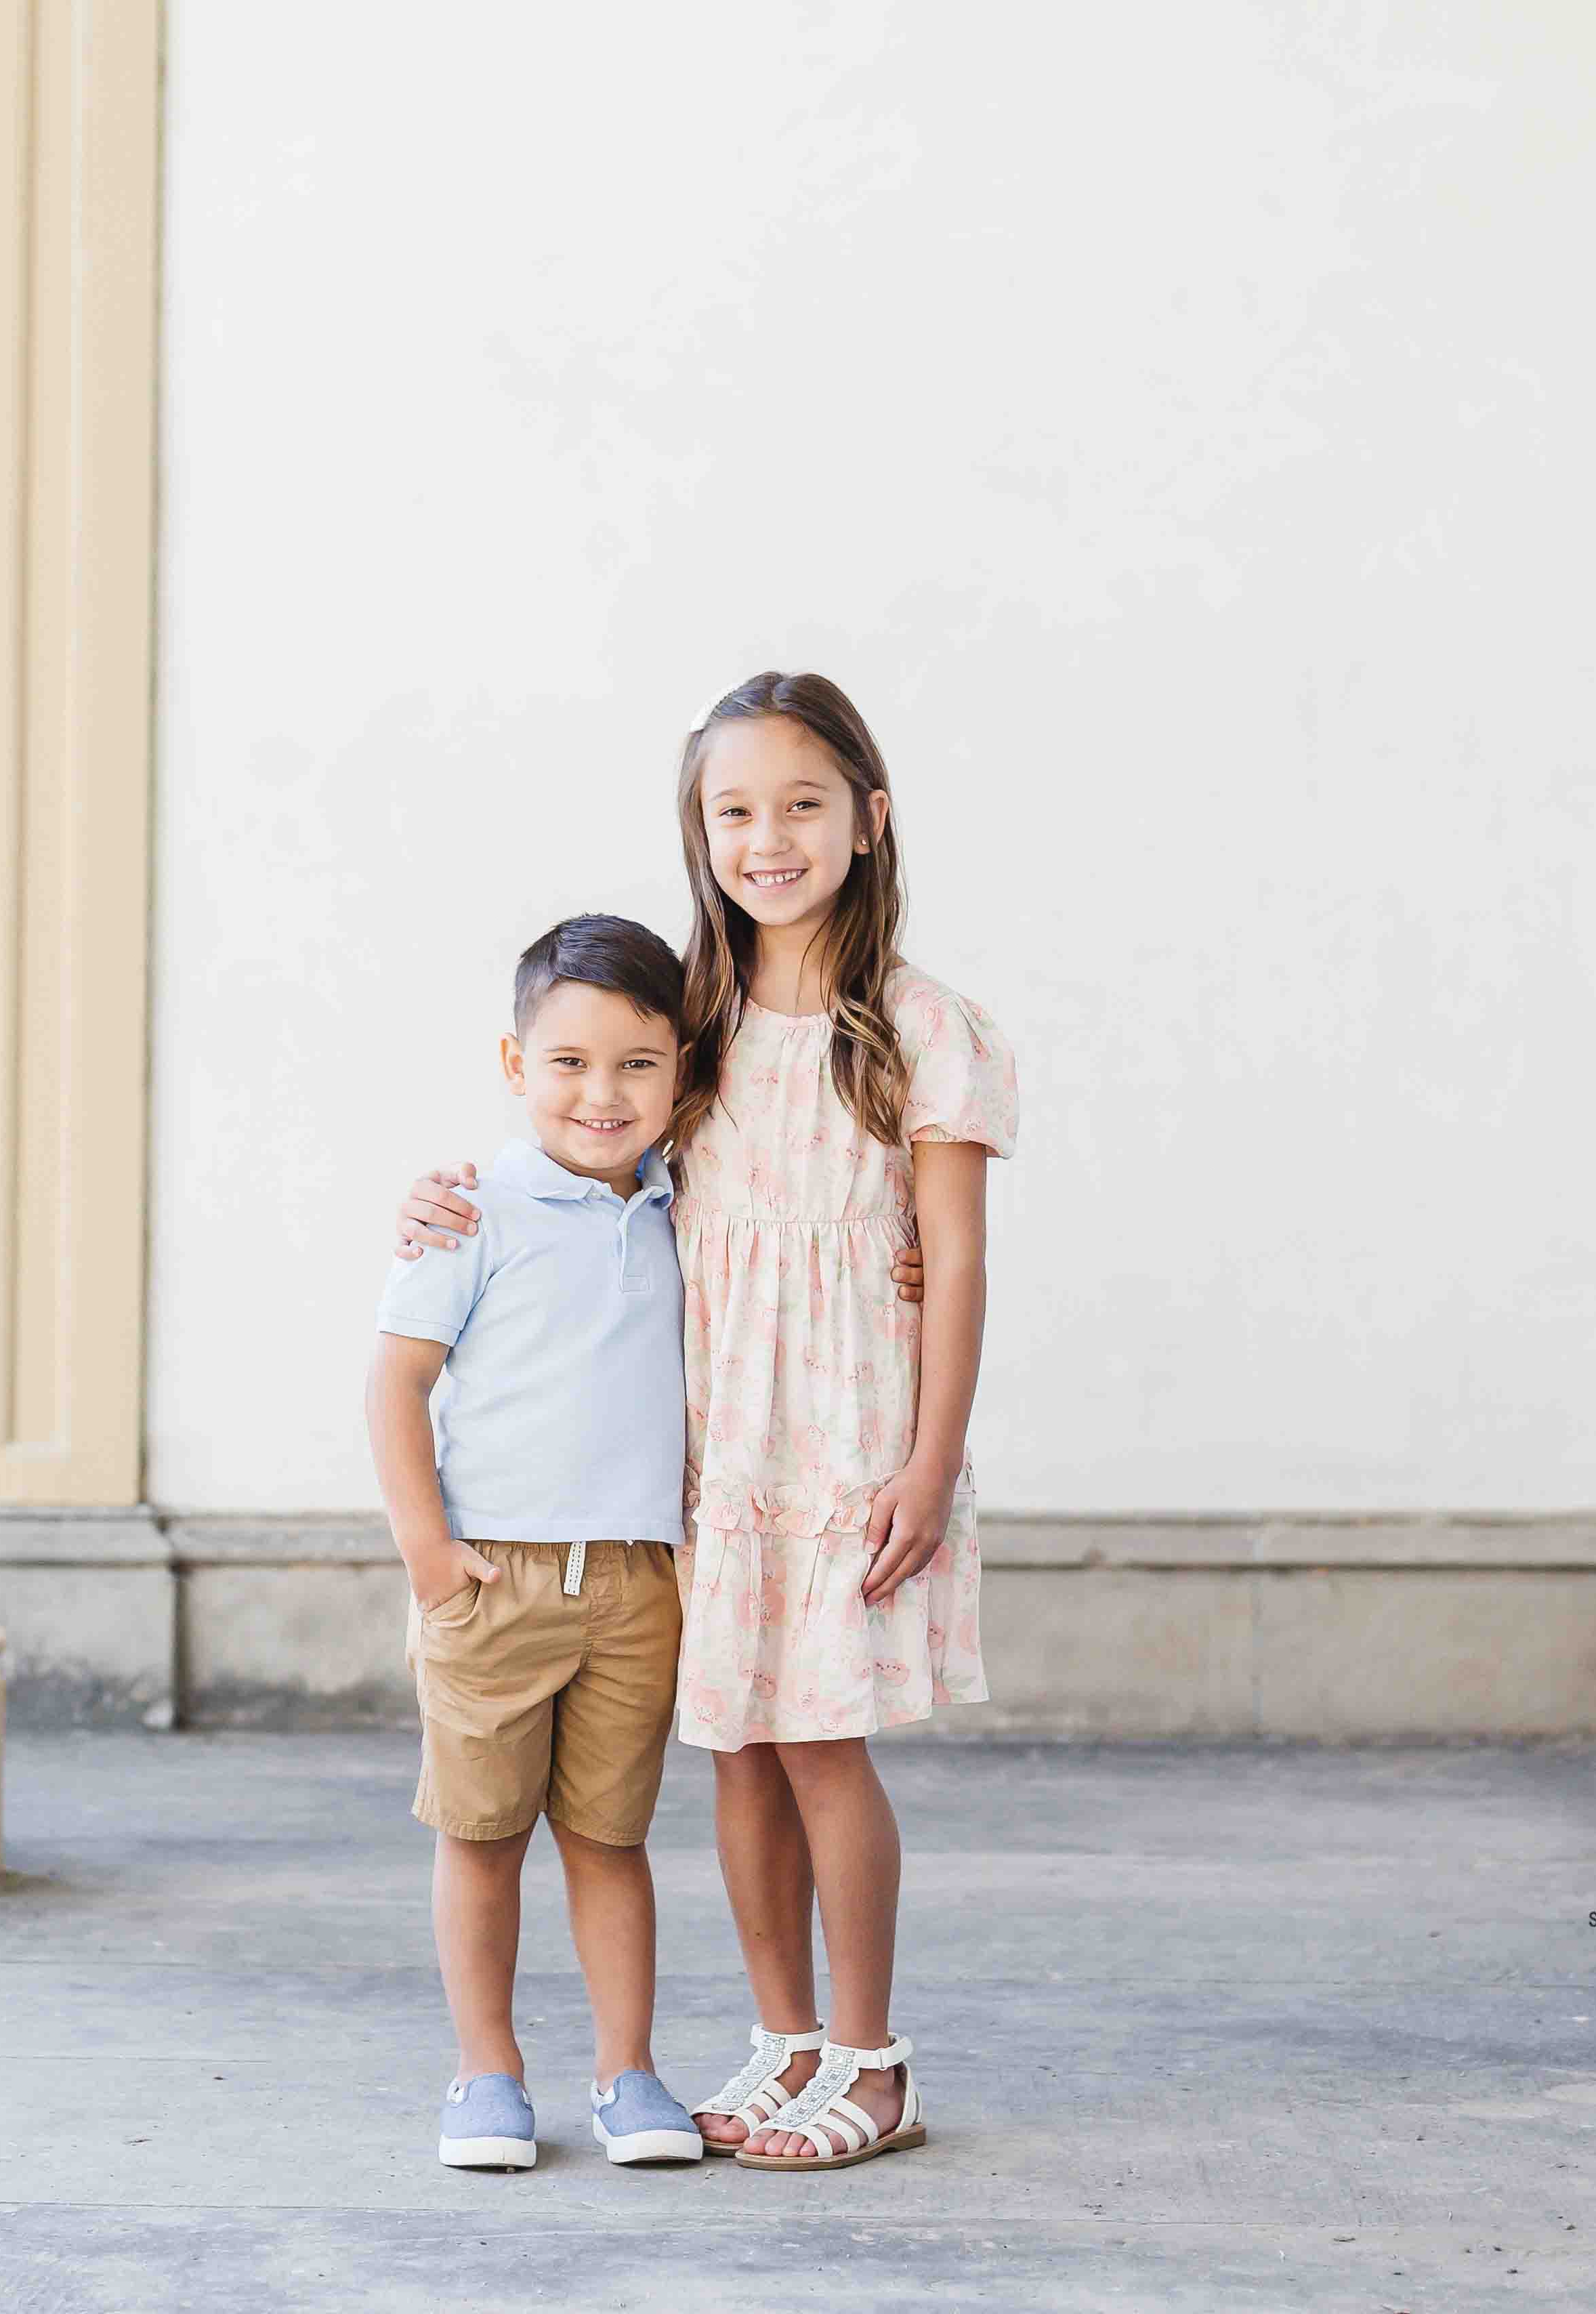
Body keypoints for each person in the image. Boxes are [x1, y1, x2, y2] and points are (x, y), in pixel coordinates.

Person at [397, 672, 1017, 2174]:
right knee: (740, 1746)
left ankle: (872, 2062)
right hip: (710, 1452)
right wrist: (447, 1200)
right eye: (733, 810)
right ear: (700, 831)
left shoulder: (923, 1026)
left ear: (870, 821)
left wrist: (928, 1464)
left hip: (850, 1449)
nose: (768, 838)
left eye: (802, 804)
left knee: (822, 1746)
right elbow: (586, 1143)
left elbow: (960, 1258)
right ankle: (784, 2036)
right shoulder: (698, 1015)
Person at [365, 912, 707, 2172]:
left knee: (612, 1841)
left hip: (635, 1581)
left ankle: (629, 2075)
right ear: (515, 1067)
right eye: (568, 1062)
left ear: (681, 1070)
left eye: (636, 1063)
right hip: (493, 1575)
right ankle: (486, 2073)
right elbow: (395, 1387)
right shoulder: (470, 1213)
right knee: (483, 1836)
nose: (602, 1094)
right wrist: (431, 1558)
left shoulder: (688, 1208)